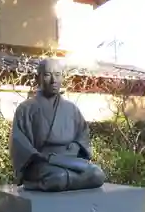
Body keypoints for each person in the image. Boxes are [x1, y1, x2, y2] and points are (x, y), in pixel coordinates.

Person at [9, 58, 106, 192]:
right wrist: (38, 156)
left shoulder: (71, 109)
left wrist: (77, 146)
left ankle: (55, 182)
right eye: (48, 75)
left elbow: (82, 134)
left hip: (69, 161)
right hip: (42, 163)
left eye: (58, 74)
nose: (54, 80)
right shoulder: (26, 109)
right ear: (39, 78)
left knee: (97, 174)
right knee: (58, 177)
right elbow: (19, 141)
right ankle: (35, 183)